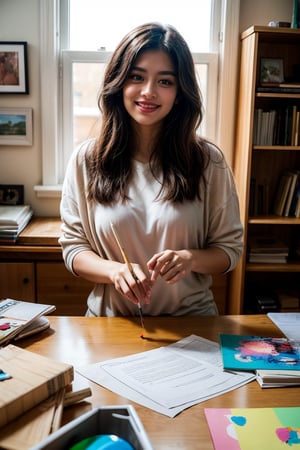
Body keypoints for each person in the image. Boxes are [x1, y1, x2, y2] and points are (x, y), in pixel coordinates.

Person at [59, 22, 243, 317]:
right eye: (137, 77)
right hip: (111, 325)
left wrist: (190, 259)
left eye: (165, 81)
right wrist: (114, 271)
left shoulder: (209, 161)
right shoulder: (86, 160)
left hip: (193, 326)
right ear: (119, 83)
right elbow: (73, 249)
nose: (148, 92)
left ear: (180, 92)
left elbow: (229, 251)